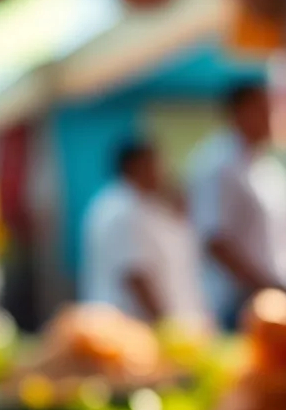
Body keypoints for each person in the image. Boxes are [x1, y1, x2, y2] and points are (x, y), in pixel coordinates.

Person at [188, 81, 286, 328]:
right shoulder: (218, 165)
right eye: (262, 109)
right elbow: (215, 240)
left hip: (282, 299)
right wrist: (262, 286)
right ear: (239, 112)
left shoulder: (266, 165)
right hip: (243, 306)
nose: (270, 117)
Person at [79, 140, 209, 326]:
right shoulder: (122, 209)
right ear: (134, 166)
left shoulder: (143, 204)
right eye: (155, 164)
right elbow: (135, 275)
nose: (162, 171)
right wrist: (166, 326)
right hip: (132, 327)